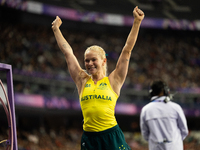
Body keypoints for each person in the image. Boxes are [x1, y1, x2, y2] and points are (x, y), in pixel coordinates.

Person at [52, 6, 144, 150]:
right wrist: (56, 29)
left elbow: (127, 50)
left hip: (111, 135)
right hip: (89, 138)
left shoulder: (114, 80)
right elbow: (68, 53)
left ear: (103, 61)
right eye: (86, 60)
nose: (89, 64)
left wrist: (137, 22)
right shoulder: (82, 80)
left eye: (93, 60)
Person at [140, 80, 188, 150]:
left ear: (151, 93)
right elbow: (184, 131)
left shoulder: (146, 110)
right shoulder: (176, 108)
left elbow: (145, 134)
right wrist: (174, 142)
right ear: (166, 91)